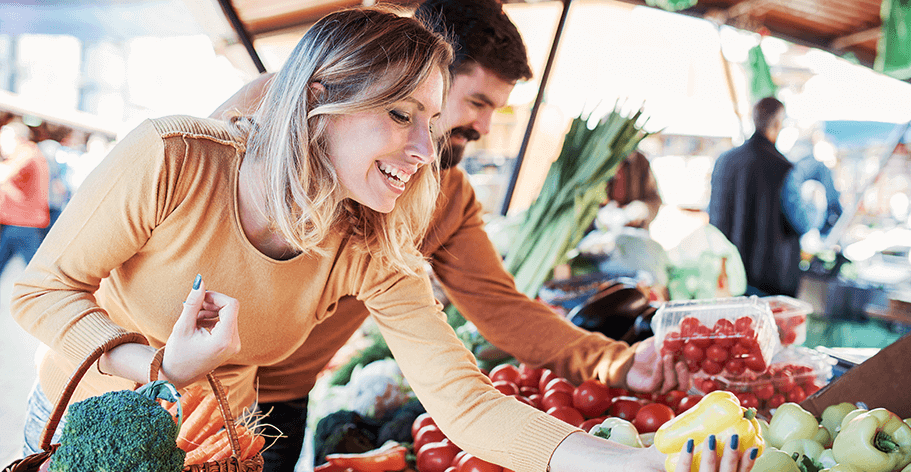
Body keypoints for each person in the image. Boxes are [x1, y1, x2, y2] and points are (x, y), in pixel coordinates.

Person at [11, 7, 754, 472]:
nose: (427, 148)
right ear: (318, 99)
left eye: (432, 120)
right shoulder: (174, 155)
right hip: (86, 415)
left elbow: (464, 401)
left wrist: (636, 466)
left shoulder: (373, 242)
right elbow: (41, 292)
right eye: (402, 115)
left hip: (222, 444)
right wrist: (160, 364)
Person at [214, 0, 692, 469]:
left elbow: (500, 309)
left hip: (278, 404)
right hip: (186, 382)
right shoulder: (273, 105)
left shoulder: (444, 197)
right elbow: (189, 218)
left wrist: (618, 364)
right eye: (477, 102)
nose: (483, 126)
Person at [708, 96, 800, 297]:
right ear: (777, 124)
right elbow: (798, 222)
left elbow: (714, 217)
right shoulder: (784, 168)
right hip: (769, 281)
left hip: (727, 274)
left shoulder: (724, 161)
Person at [0, 121, 49, 278]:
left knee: (37, 277)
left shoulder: (25, 152)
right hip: (21, 222)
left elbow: (3, 175)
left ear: (18, 139)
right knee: (36, 274)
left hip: (23, 223)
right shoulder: (31, 152)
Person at [605, 150, 663, 229]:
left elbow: (655, 201)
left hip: (632, 232)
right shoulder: (600, 157)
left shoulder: (639, 161)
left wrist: (641, 210)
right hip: (596, 232)